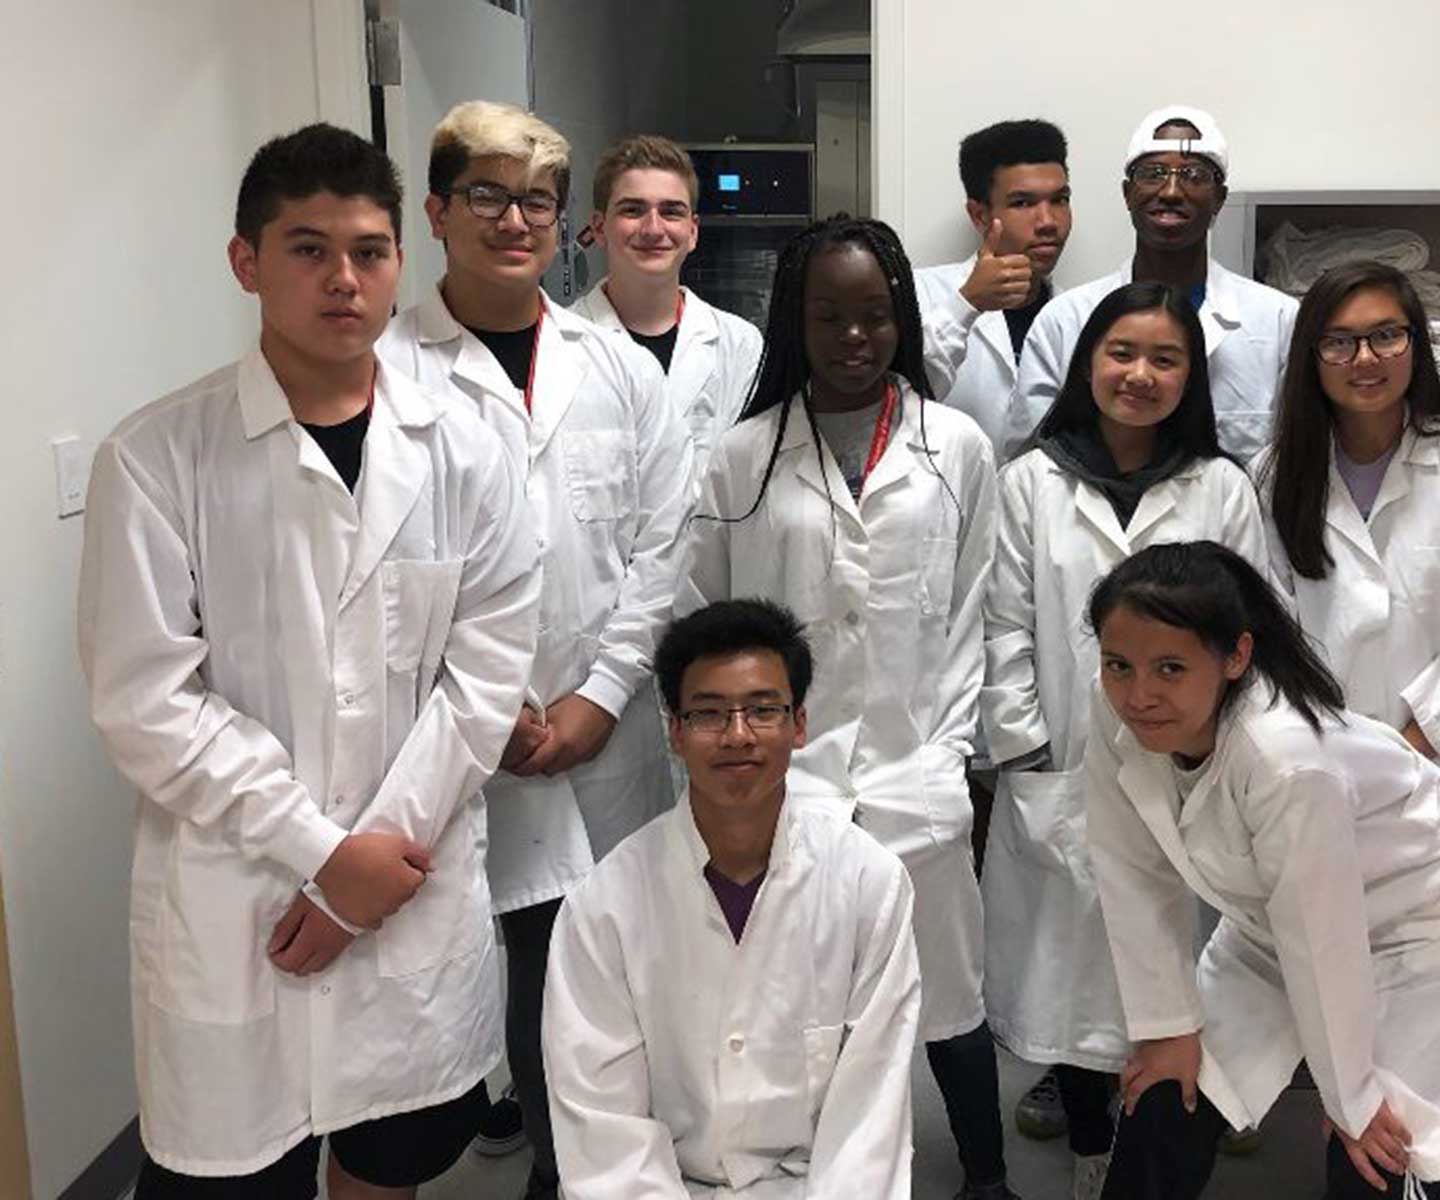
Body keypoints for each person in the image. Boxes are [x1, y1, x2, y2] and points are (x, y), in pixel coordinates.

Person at [79, 123, 539, 1198]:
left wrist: (363, 873)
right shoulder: (156, 457)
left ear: (399, 265)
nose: (344, 279)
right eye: (307, 248)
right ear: (247, 263)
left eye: (370, 251)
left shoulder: (471, 446)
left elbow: (484, 679)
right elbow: (145, 701)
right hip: (240, 891)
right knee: (236, 1172)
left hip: (406, 881)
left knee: (395, 1159)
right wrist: (320, 853)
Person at [379, 101, 693, 1199]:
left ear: (564, 224)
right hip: (466, 742)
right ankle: (557, 1173)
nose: (514, 220)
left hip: (604, 737)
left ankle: (605, 1170)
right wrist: (493, 713)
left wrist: (602, 696)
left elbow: (663, 544)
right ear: (436, 211)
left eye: (537, 202)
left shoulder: (615, 368)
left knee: (614, 971)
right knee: (513, 972)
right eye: (486, 195)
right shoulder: (387, 373)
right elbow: (379, 577)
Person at [680, 215, 1014, 1199]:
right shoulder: (740, 460)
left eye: (875, 314)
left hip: (916, 777)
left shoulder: (954, 447)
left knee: (951, 997)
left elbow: (973, 611)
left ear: (903, 317)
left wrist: (949, 758)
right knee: (792, 1004)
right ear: (796, 321)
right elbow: (703, 617)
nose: (855, 336)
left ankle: (986, 1177)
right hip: (788, 790)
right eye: (830, 316)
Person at [1083, 541, 1440, 1200]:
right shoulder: (1116, 710)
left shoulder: (1284, 759)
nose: (1139, 694)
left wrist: (1352, 1098)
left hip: (1426, 912)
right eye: (1119, 665)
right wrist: (1167, 1026)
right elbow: (1129, 868)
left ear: (1236, 657)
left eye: (1170, 668)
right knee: (1169, 1092)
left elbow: (1324, 939)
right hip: (1277, 921)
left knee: (1377, 1140)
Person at [980, 283, 1267, 1196]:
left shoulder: (1218, 486)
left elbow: (1245, 625)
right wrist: (1027, 753)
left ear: (1191, 377)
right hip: (1064, 762)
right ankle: (1089, 1140)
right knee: (1070, 975)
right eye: (1121, 354)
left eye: (1165, 359)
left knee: (1179, 966)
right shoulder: (1031, 478)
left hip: (1191, 771)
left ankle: (1168, 1138)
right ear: (1086, 364)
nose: (1139, 375)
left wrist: (1214, 756)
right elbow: (1001, 625)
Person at [1257, 260, 1440, 1042]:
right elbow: (1273, 629)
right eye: (1341, 341)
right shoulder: (1278, 473)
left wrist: (1410, 748)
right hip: (1324, 762)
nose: (1366, 359)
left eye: (1387, 335)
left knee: (1439, 995)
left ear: (1416, 345)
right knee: (1338, 991)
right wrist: (1341, 752)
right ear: (1310, 358)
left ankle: (1418, 1158)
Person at [543, 599, 921, 1198]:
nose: (738, 735)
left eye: (763, 710)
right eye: (710, 714)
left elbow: (868, 1119)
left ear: (799, 724)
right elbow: (604, 1133)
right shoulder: (603, 907)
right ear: (675, 732)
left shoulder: (869, 884)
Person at [1008, 106, 1296, 459]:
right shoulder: (1065, 320)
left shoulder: (1278, 320)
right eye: (1153, 173)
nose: (1172, 191)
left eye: (1193, 175)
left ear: (1219, 199)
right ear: (1128, 194)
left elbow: (1294, 461)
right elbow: (1027, 462)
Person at [572, 134, 763, 484]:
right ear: (599, 228)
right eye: (633, 210)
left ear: (692, 232)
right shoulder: (561, 344)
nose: (653, 228)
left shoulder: (739, 346)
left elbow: (749, 479)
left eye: (671, 212)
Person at [916, 118, 1072, 452]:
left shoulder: (1079, 314)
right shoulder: (921, 295)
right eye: (1023, 203)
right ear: (980, 215)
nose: (1048, 222)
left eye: (1059, 199)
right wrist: (967, 304)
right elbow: (889, 404)